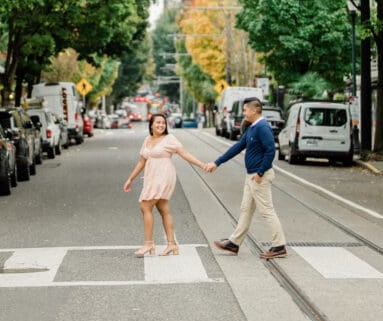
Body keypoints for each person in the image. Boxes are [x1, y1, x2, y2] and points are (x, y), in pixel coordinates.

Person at [205, 98, 287, 259]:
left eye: (245, 110)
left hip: (258, 176)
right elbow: (237, 147)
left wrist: (261, 172)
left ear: (254, 110)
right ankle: (234, 243)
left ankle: (279, 246)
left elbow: (271, 150)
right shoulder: (252, 128)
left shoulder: (262, 127)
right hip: (251, 176)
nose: (243, 113)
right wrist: (217, 162)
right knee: (246, 209)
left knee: (267, 211)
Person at [123, 112, 211, 256]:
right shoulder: (147, 140)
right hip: (151, 176)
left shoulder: (169, 139)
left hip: (163, 176)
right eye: (157, 122)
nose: (161, 125)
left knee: (145, 206)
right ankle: (172, 245)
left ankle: (148, 244)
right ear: (151, 125)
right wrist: (130, 179)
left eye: (163, 123)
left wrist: (202, 165)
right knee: (163, 208)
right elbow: (142, 161)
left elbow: (184, 154)